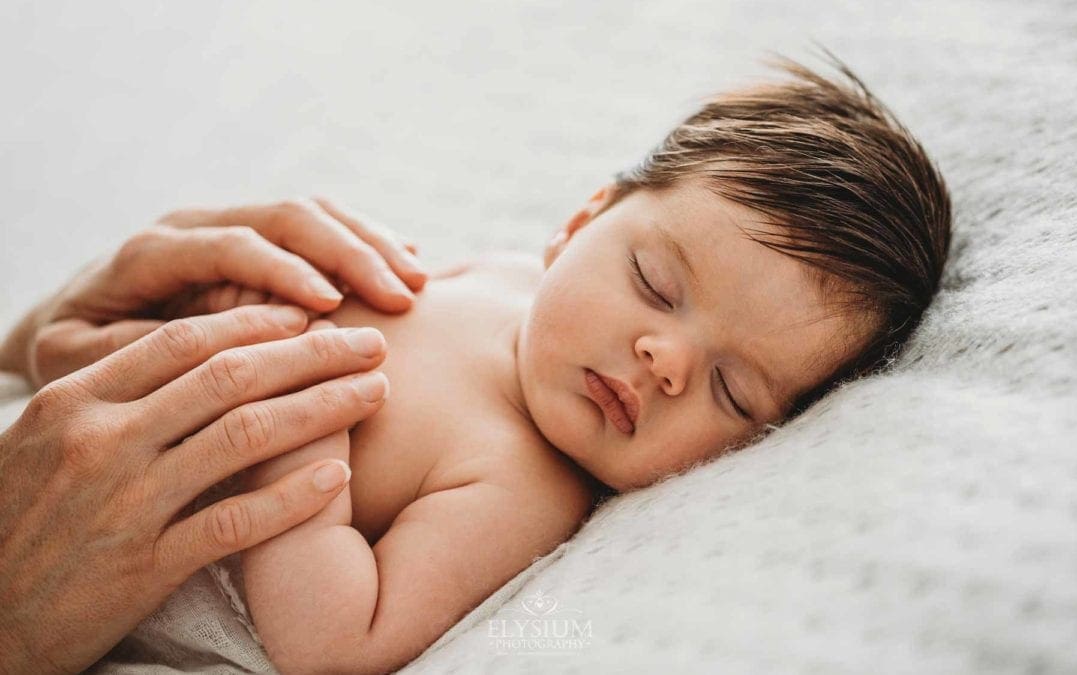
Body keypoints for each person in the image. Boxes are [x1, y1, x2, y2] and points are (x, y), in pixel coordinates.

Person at [156, 54, 952, 673]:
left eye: (730, 387)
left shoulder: (521, 484)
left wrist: (299, 422)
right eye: (656, 283)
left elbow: (334, 642)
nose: (665, 359)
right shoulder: (498, 278)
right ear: (579, 226)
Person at [0, 198, 428, 673]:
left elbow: (339, 649)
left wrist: (303, 438)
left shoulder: (514, 473)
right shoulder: (500, 277)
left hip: (106, 536)